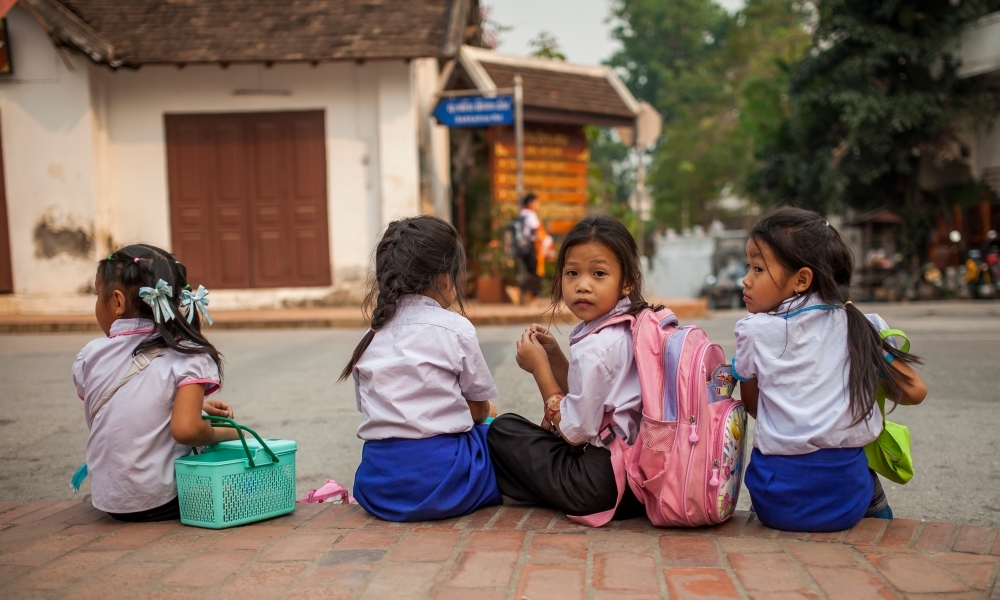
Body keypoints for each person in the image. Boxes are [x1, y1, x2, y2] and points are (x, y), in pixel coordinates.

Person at [734, 207, 927, 532]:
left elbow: (754, 406)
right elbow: (914, 391)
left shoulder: (754, 330)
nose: (746, 279)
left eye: (757, 268)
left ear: (802, 279)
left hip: (775, 500)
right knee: (867, 489)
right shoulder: (861, 324)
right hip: (846, 498)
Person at [487, 215, 653, 519]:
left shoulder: (596, 346)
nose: (583, 285)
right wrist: (557, 359)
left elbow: (574, 431)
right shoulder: (633, 325)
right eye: (572, 273)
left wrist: (541, 371)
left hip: (598, 487)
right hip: (638, 480)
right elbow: (592, 397)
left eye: (599, 273)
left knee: (503, 430)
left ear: (626, 281)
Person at [340, 215, 502, 522]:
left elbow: (371, 410)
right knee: (495, 430)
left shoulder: (369, 337)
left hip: (379, 488)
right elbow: (478, 410)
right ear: (445, 279)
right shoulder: (456, 329)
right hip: (442, 480)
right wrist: (490, 410)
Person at [73, 244, 237, 522]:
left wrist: (198, 405)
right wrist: (230, 435)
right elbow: (186, 430)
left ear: (117, 302)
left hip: (110, 500)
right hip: (161, 499)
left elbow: (128, 401)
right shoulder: (186, 353)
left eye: (96, 296)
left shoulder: (90, 354)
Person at [517, 193, 552, 305]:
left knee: (533, 272)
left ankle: (532, 298)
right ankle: (520, 290)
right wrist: (546, 242)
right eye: (537, 202)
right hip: (531, 246)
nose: (538, 205)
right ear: (530, 203)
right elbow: (537, 230)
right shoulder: (529, 215)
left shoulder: (522, 214)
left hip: (523, 247)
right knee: (536, 272)